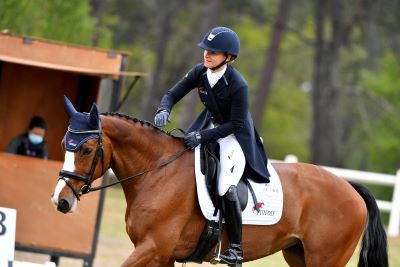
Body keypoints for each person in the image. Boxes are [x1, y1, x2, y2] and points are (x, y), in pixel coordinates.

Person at [154, 26, 270, 266]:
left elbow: (236, 124)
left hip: (234, 136)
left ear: (228, 57)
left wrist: (201, 137)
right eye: (206, 50)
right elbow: (172, 94)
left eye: (214, 52)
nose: (206, 54)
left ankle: (236, 249)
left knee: (226, 187)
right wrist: (164, 108)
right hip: (209, 128)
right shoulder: (199, 72)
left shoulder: (238, 85)